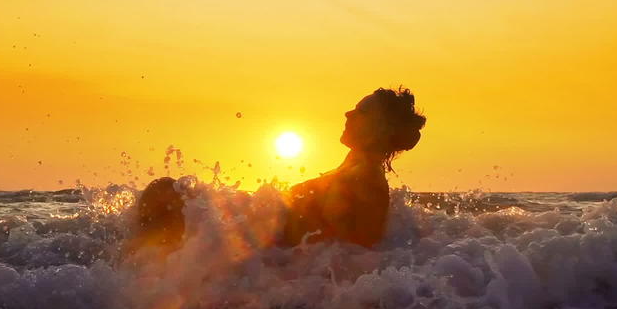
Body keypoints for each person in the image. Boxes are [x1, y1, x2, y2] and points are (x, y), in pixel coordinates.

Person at [127, 87, 425, 254]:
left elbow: (360, 246)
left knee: (164, 192)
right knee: (167, 193)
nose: (348, 114)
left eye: (361, 111)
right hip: (252, 236)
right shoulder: (355, 166)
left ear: (379, 129)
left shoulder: (366, 178)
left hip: (255, 248)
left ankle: (131, 282)